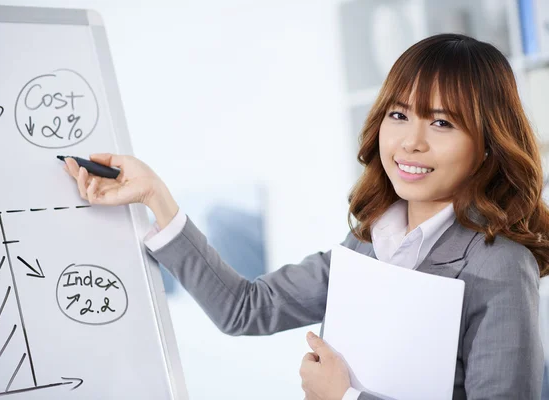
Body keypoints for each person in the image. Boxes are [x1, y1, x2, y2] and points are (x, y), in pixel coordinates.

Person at [64, 33, 548, 399]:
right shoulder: (367, 243)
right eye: (399, 115)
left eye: (441, 122)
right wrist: (154, 194)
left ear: (486, 145)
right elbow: (245, 309)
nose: (410, 141)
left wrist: (344, 396)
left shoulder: (499, 265)